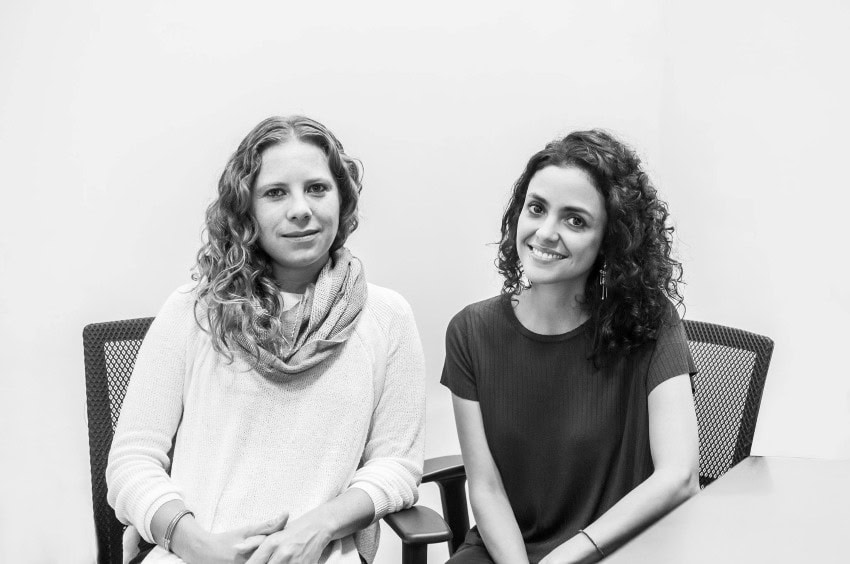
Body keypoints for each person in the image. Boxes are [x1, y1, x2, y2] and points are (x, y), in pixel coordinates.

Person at [107, 116, 425, 564]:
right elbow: (130, 463)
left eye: (317, 188)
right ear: (247, 210)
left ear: (342, 198)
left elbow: (399, 464)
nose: (301, 208)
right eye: (276, 192)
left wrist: (318, 527)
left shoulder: (387, 317)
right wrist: (196, 544)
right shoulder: (195, 310)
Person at [441, 130, 699, 564]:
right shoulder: (471, 331)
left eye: (575, 220)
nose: (545, 233)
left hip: (616, 549)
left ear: (609, 242)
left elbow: (679, 477)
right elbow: (485, 487)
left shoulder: (651, 323)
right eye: (537, 209)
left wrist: (568, 556)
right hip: (505, 553)